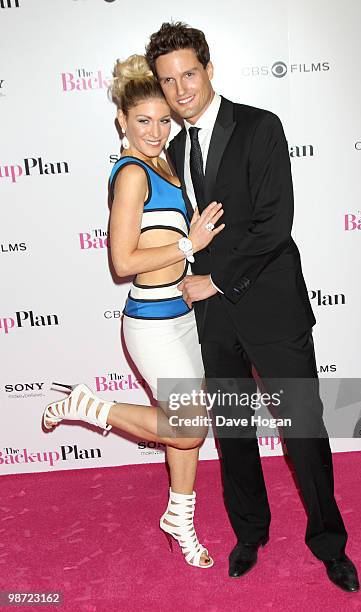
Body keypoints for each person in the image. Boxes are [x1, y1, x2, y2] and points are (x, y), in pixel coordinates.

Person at [144, 22, 360, 591]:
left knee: (304, 430)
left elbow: (274, 223)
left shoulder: (261, 127)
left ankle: (329, 543)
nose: (181, 88)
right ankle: (250, 532)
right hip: (215, 321)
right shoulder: (169, 150)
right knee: (234, 433)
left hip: (269, 305)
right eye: (168, 81)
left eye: (189, 73)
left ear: (210, 70)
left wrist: (214, 280)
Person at [42, 53, 226, 569]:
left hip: (183, 315)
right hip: (151, 323)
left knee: (186, 427)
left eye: (163, 119)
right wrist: (188, 246)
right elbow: (123, 262)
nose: (155, 130)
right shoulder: (130, 175)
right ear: (121, 121)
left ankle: (180, 518)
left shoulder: (164, 165)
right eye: (142, 121)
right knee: (188, 428)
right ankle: (88, 405)